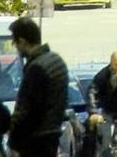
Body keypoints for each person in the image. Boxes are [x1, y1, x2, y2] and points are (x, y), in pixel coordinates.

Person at [7, 16, 69, 157]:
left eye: (14, 42)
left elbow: (27, 111)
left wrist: (13, 143)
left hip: (35, 141)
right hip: (52, 134)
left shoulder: (36, 68)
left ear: (22, 41)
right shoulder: (56, 60)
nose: (15, 47)